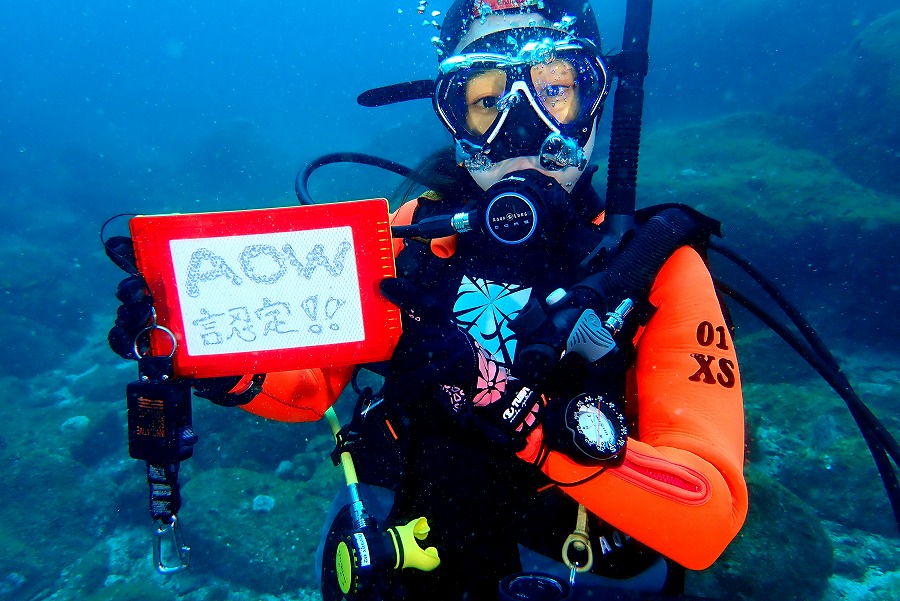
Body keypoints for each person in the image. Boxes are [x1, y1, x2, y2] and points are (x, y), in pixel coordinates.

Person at [109, 0, 748, 599]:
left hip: (565, 573)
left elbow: (706, 519)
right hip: (399, 562)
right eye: (485, 100)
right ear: (452, 116)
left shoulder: (655, 270)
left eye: (553, 89)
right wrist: (202, 335)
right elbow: (311, 390)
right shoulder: (412, 232)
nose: (521, 126)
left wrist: (512, 413)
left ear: (594, 97)